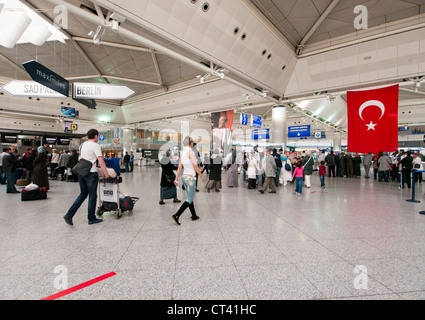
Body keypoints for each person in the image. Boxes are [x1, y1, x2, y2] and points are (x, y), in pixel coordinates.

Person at [64, 129, 110, 226]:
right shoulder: (96, 146)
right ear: (96, 136)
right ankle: (91, 218)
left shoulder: (82, 145)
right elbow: (101, 162)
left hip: (81, 172)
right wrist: (106, 174)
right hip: (91, 173)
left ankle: (69, 214)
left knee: (83, 194)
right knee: (92, 196)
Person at [172, 136, 205, 225]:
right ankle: (176, 215)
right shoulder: (191, 153)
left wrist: (176, 178)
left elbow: (179, 167)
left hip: (184, 177)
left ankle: (194, 215)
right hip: (190, 178)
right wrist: (201, 175)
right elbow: (195, 166)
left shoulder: (182, 153)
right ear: (190, 143)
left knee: (189, 197)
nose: (193, 144)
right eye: (193, 143)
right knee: (189, 199)